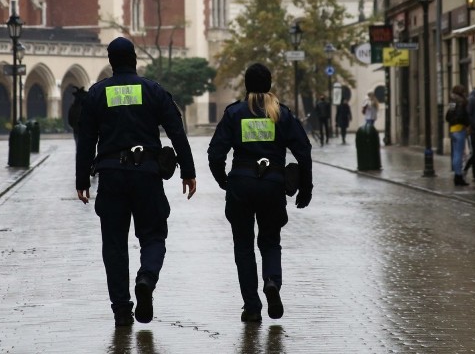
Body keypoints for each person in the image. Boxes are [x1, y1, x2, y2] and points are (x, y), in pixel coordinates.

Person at [75, 37, 197, 327]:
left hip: (111, 175)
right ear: (134, 60)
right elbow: (176, 132)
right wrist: (188, 171)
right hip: (147, 175)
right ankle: (146, 278)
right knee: (153, 236)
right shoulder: (153, 90)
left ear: (111, 62)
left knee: (114, 245)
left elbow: (86, 140)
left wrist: (82, 180)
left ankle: (121, 310)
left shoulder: (96, 93)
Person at [207, 63, 313, 323]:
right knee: (270, 240)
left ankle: (252, 307)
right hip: (272, 185)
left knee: (243, 246)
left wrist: (224, 180)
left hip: (241, 185)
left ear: (246, 84)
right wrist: (305, 187)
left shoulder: (234, 114)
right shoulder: (282, 114)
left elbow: (215, 153)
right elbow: (304, 151)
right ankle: (272, 282)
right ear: (269, 84)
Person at [445, 84, 471, 186]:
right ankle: (458, 176)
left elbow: (448, 116)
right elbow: (461, 116)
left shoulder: (452, 102)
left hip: (453, 129)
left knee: (456, 154)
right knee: (459, 154)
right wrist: (467, 123)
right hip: (460, 129)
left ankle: (457, 175)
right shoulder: (461, 102)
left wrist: (452, 121)